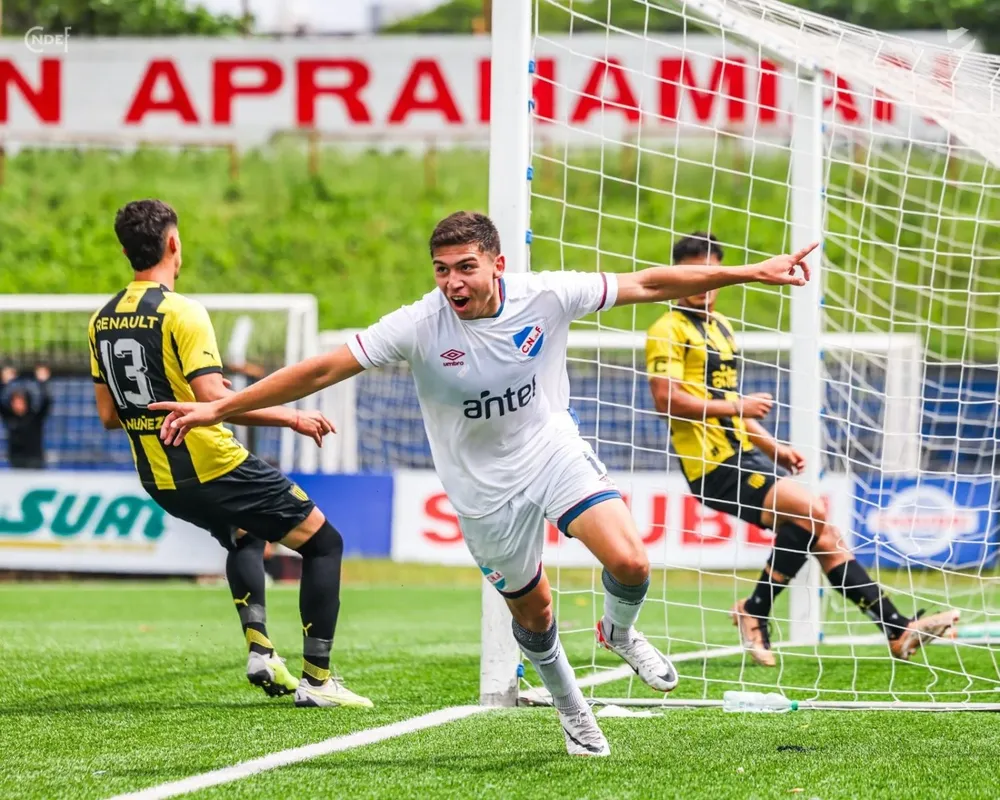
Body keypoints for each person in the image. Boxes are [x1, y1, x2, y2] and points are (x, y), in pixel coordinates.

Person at [150, 211, 814, 756]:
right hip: (480, 491)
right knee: (536, 614)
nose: (452, 282)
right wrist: (219, 408)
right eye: (442, 269)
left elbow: (647, 282)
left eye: (465, 266)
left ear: (497, 263)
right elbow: (324, 368)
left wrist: (750, 272)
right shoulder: (419, 324)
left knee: (631, 562)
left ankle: (618, 631)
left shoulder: (546, 295)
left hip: (549, 449)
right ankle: (572, 709)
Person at [89, 199, 370, 709]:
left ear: (125, 251)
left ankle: (262, 651)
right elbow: (214, 399)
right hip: (213, 463)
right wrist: (292, 417)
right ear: (173, 243)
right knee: (324, 543)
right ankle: (318, 680)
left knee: (245, 532)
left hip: (159, 479)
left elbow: (109, 415)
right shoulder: (182, 312)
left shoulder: (100, 321)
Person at [644, 232, 959, 667]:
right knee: (811, 511)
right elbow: (667, 400)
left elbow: (726, 403)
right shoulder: (667, 329)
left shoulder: (723, 328)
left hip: (745, 454)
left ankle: (895, 630)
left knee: (822, 532)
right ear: (678, 275)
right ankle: (757, 610)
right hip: (710, 465)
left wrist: (773, 446)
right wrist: (738, 406)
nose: (705, 284)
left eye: (712, 274)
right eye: (694, 274)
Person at [1, 365, 52, 469]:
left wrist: (43, 383)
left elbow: (46, 401)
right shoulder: (10, 417)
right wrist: (4, 383)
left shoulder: (35, 418)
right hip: (16, 462)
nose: (18, 405)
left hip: (35, 462)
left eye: (20, 401)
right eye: (15, 402)